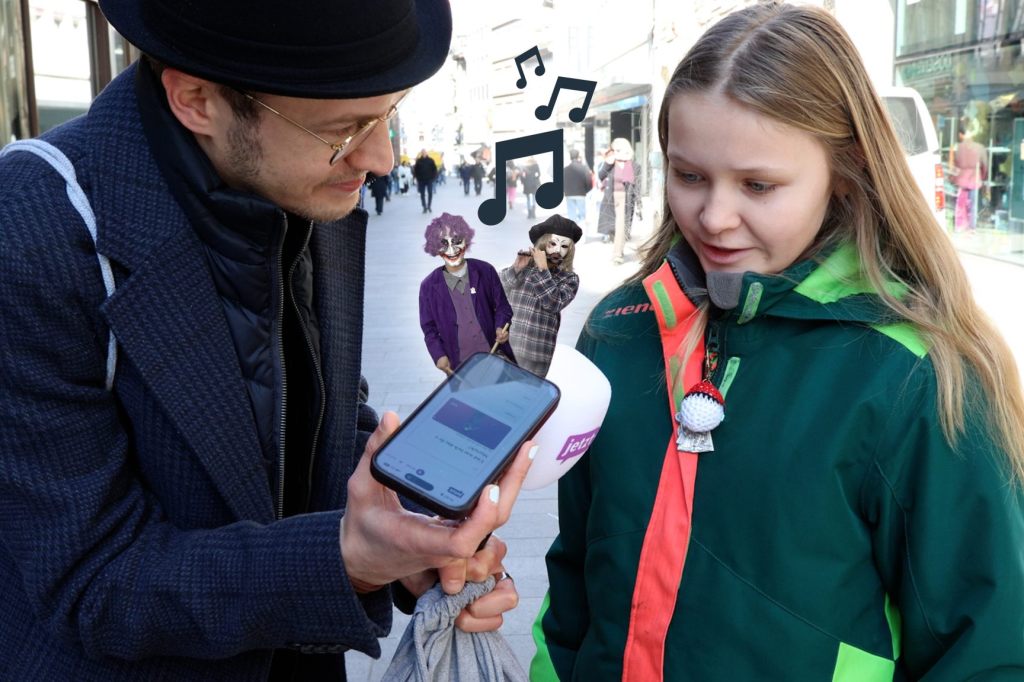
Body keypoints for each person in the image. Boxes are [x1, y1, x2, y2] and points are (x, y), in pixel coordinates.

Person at [0, 1, 530, 679]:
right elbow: (94, 582)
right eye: (347, 129)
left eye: (388, 112)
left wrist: (410, 537)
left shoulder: (309, 180)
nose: (379, 157)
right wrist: (348, 560)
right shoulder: (34, 235)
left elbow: (317, 416)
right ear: (196, 100)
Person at [533, 3, 1024, 680]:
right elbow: (578, 572)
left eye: (758, 185)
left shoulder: (917, 379)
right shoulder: (618, 330)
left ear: (845, 169)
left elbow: (988, 647)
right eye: (689, 175)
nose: (714, 216)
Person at [418, 213, 516, 376]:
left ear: (466, 241)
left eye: (457, 241)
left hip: (496, 358)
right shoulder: (428, 286)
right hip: (460, 366)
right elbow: (429, 328)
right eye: (444, 243)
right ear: (436, 247)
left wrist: (501, 326)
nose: (452, 249)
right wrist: (438, 355)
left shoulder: (486, 271)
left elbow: (502, 307)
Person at [500, 215, 581, 377]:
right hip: (506, 346)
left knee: (525, 399)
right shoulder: (525, 267)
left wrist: (543, 270)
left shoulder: (569, 278)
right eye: (553, 244)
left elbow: (553, 303)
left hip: (536, 353)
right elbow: (496, 291)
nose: (558, 250)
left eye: (564, 246)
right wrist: (515, 268)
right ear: (543, 243)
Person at [597, 138, 640, 264]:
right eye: (614, 149)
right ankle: (618, 251)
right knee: (615, 228)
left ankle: (617, 254)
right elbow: (600, 176)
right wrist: (607, 164)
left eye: (616, 149)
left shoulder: (634, 165)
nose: (614, 152)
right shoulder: (611, 163)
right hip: (611, 199)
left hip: (625, 199)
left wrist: (639, 204)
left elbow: (637, 185)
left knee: (620, 226)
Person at [953, 123, 987, 233]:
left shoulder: (958, 148)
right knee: (973, 205)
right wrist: (982, 177)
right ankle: (972, 227)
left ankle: (960, 226)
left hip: (962, 180)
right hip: (974, 180)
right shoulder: (980, 148)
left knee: (960, 204)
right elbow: (985, 166)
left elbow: (955, 164)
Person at [563, 148, 593, 229]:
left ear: (570, 157)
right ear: (578, 156)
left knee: (572, 214)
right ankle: (582, 236)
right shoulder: (584, 168)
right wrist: (586, 190)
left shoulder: (565, 169)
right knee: (582, 215)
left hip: (569, 194)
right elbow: (589, 181)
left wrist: (565, 191)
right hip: (581, 193)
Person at [413, 149, 438, 213]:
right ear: (421, 153)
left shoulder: (431, 160)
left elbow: (435, 169)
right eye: (422, 152)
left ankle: (429, 206)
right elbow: (415, 170)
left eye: (425, 152)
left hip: (429, 180)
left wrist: (433, 178)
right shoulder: (418, 161)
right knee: (422, 194)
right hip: (421, 180)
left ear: (427, 153)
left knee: (430, 193)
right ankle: (424, 206)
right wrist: (416, 178)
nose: (424, 153)